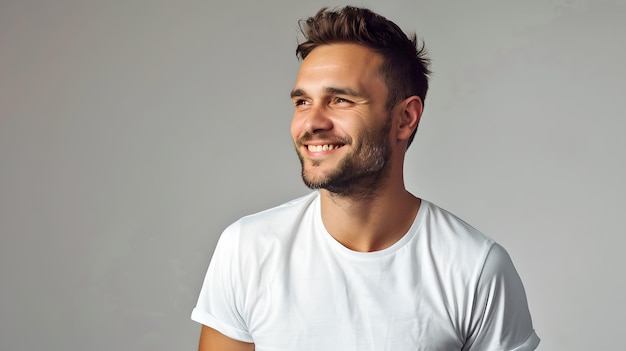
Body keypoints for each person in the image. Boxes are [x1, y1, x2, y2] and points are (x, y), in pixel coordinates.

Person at [191, 6, 540, 351]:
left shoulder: (475, 268)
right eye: (302, 102)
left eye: (340, 99)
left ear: (405, 118)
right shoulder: (247, 249)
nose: (311, 123)